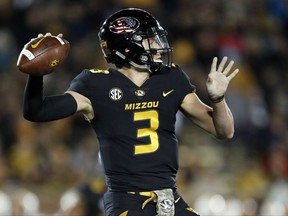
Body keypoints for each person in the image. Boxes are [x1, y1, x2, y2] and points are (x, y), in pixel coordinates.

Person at [20, 8, 239, 216]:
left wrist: (218, 98)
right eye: (149, 39)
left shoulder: (171, 77)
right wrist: (37, 74)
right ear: (127, 47)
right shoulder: (95, 84)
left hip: (168, 197)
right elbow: (37, 111)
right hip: (127, 201)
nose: (158, 45)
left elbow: (224, 131)